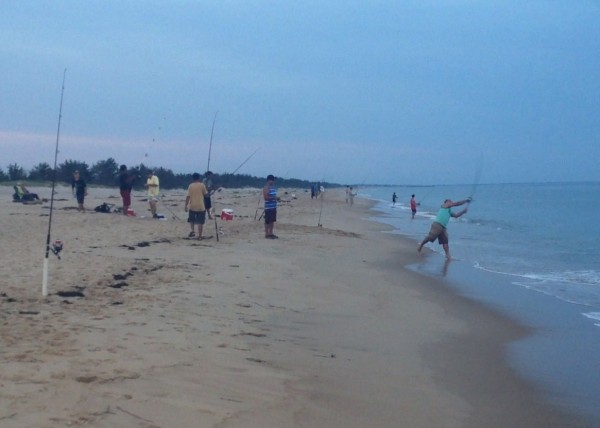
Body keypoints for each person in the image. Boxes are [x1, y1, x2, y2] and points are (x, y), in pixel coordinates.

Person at [184, 172, 209, 239]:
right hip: (201, 206)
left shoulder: (190, 186)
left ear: (193, 178)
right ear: (199, 178)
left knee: (191, 220)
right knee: (200, 222)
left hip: (192, 206)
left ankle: (192, 231)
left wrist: (185, 206)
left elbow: (188, 197)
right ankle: (200, 236)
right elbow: (206, 194)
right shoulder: (202, 185)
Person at [263, 174, 278, 239]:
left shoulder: (273, 187)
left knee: (272, 220)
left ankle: (271, 233)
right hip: (268, 207)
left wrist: (277, 198)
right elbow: (266, 197)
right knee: (267, 221)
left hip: (273, 207)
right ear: (269, 180)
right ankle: (267, 234)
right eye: (272, 180)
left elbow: (273, 196)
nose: (273, 181)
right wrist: (274, 198)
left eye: (273, 180)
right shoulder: (266, 188)